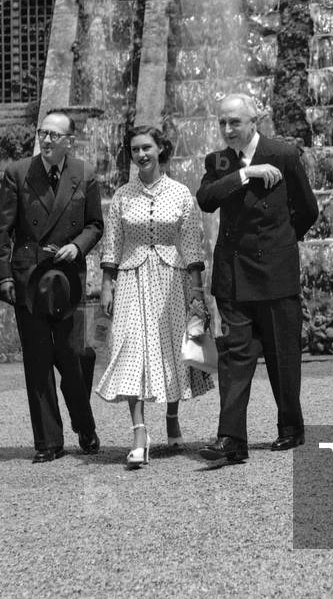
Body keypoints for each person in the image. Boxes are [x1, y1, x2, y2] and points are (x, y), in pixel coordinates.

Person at [196, 93, 318, 465]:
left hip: (276, 273)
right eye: (222, 123)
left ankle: (290, 427)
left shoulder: (282, 153)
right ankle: (231, 439)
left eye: (235, 122)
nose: (228, 129)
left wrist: (281, 242)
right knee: (234, 357)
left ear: (254, 121)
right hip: (233, 274)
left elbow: (308, 210)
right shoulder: (218, 162)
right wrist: (245, 174)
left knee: (283, 354)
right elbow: (206, 199)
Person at [96, 125, 213, 468]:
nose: (141, 155)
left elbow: (192, 243)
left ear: (161, 149)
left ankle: (172, 418)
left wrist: (196, 291)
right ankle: (139, 434)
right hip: (131, 277)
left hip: (171, 279)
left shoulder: (180, 194)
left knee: (169, 348)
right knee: (130, 347)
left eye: (147, 147)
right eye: (135, 150)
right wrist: (107, 284)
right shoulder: (120, 196)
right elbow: (112, 243)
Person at [0, 109, 103, 463]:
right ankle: (48, 442)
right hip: (30, 279)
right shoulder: (18, 173)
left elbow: (95, 224)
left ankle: (84, 425)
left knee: (77, 356)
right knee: (38, 362)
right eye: (43, 132)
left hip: (69, 279)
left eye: (55, 134)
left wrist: (78, 245)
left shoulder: (85, 174)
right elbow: (3, 231)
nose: (47, 139)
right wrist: (4, 276)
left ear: (70, 140)